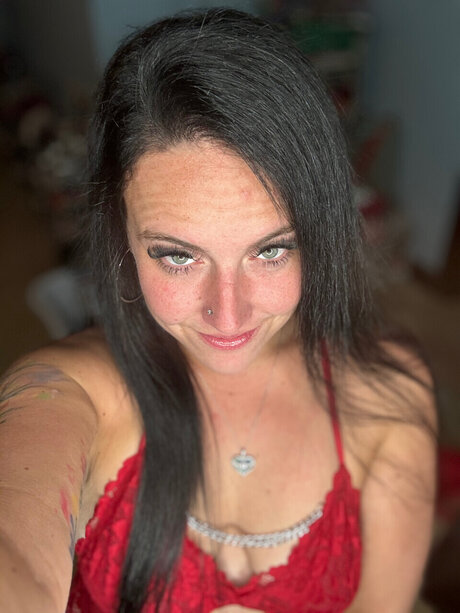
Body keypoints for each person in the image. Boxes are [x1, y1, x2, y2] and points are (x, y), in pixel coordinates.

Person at [0, 8, 437, 613]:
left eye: (271, 250)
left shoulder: (390, 399)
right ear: (122, 235)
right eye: (178, 256)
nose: (228, 314)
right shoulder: (67, 394)